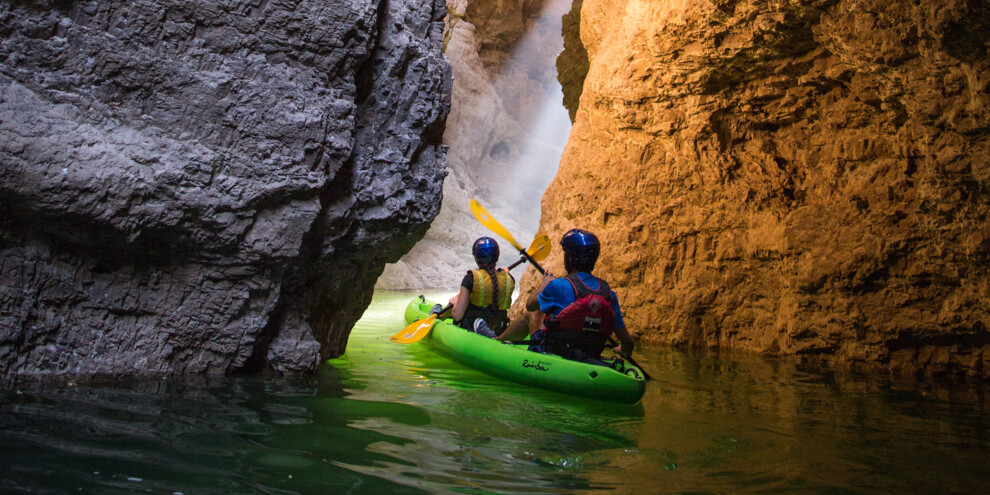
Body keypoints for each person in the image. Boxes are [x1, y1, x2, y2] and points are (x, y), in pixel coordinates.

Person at [525, 229, 634, 364]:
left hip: (558, 354)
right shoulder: (609, 294)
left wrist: (544, 284)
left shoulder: (557, 285)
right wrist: (623, 351)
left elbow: (530, 305)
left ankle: (505, 345)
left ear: (569, 258)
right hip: (592, 354)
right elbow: (628, 343)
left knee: (535, 314)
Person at [434, 237, 516, 338]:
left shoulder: (470, 278)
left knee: (455, 300)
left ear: (476, 258)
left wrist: (454, 302)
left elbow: (457, 315)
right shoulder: (509, 278)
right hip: (499, 327)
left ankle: (478, 326)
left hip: (471, 325)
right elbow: (493, 287)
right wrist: (504, 272)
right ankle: (490, 332)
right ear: (497, 256)